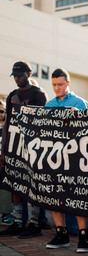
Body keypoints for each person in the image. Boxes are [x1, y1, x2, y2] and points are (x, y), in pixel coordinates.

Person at [45, 68, 88, 252]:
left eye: (60, 84)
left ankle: (83, 236)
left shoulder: (80, 103)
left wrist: (77, 116)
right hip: (54, 157)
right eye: (54, 85)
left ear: (68, 83)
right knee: (54, 193)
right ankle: (61, 233)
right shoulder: (48, 105)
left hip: (76, 157)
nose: (57, 88)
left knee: (77, 195)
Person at [0, 61, 48, 238]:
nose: (17, 79)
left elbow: (41, 121)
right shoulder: (12, 95)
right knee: (14, 184)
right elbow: (7, 125)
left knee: (31, 185)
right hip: (14, 146)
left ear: (29, 73)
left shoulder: (38, 94)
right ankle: (18, 222)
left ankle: (34, 224)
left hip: (33, 147)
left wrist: (20, 105)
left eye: (20, 75)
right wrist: (4, 151)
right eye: (15, 76)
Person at [0, 100, 14, 226]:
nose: (0, 114)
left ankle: (6, 214)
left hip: (5, 163)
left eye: (2, 111)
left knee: (5, 189)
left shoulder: (9, 127)